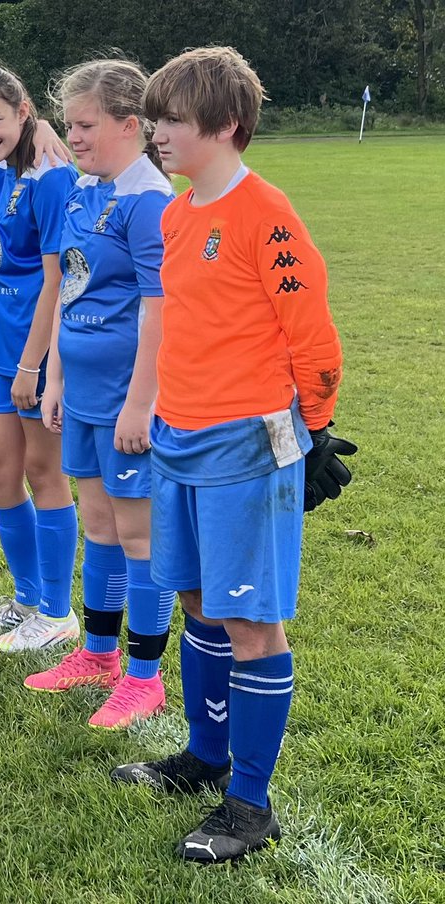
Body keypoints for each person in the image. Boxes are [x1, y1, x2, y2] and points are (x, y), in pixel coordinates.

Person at [110, 46, 355, 863]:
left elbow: (313, 339)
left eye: (172, 119)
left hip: (248, 445)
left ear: (224, 125)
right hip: (178, 440)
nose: (158, 133)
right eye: (155, 119)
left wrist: (310, 432)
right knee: (197, 601)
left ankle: (249, 804)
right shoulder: (178, 215)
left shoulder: (267, 214)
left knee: (252, 620)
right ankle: (204, 756)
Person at [24, 59, 177, 731]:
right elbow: (68, 294)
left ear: (129, 124)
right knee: (98, 526)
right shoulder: (85, 192)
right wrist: (54, 377)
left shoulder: (150, 202)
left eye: (86, 125)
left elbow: (161, 311)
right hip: (79, 392)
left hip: (124, 400)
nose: (74, 136)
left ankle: (145, 676)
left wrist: (141, 402)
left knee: (137, 533)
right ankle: (97, 653)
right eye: (69, 124)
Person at [0, 67, 81, 653]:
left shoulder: (52, 180)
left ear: (24, 110)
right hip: (0, 350)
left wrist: (34, 366)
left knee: (44, 474)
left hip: (38, 356)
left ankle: (58, 612)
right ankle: (26, 599)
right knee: (3, 475)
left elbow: (57, 282)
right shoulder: (3, 174)